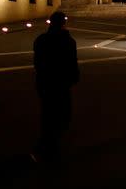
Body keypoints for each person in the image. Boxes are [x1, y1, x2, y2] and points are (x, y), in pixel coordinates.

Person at [32, 11, 79, 163]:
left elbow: (37, 62)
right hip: (61, 83)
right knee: (63, 114)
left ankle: (46, 144)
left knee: (47, 114)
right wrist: (74, 78)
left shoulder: (40, 40)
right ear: (63, 23)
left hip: (45, 82)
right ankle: (50, 146)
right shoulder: (69, 41)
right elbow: (72, 62)